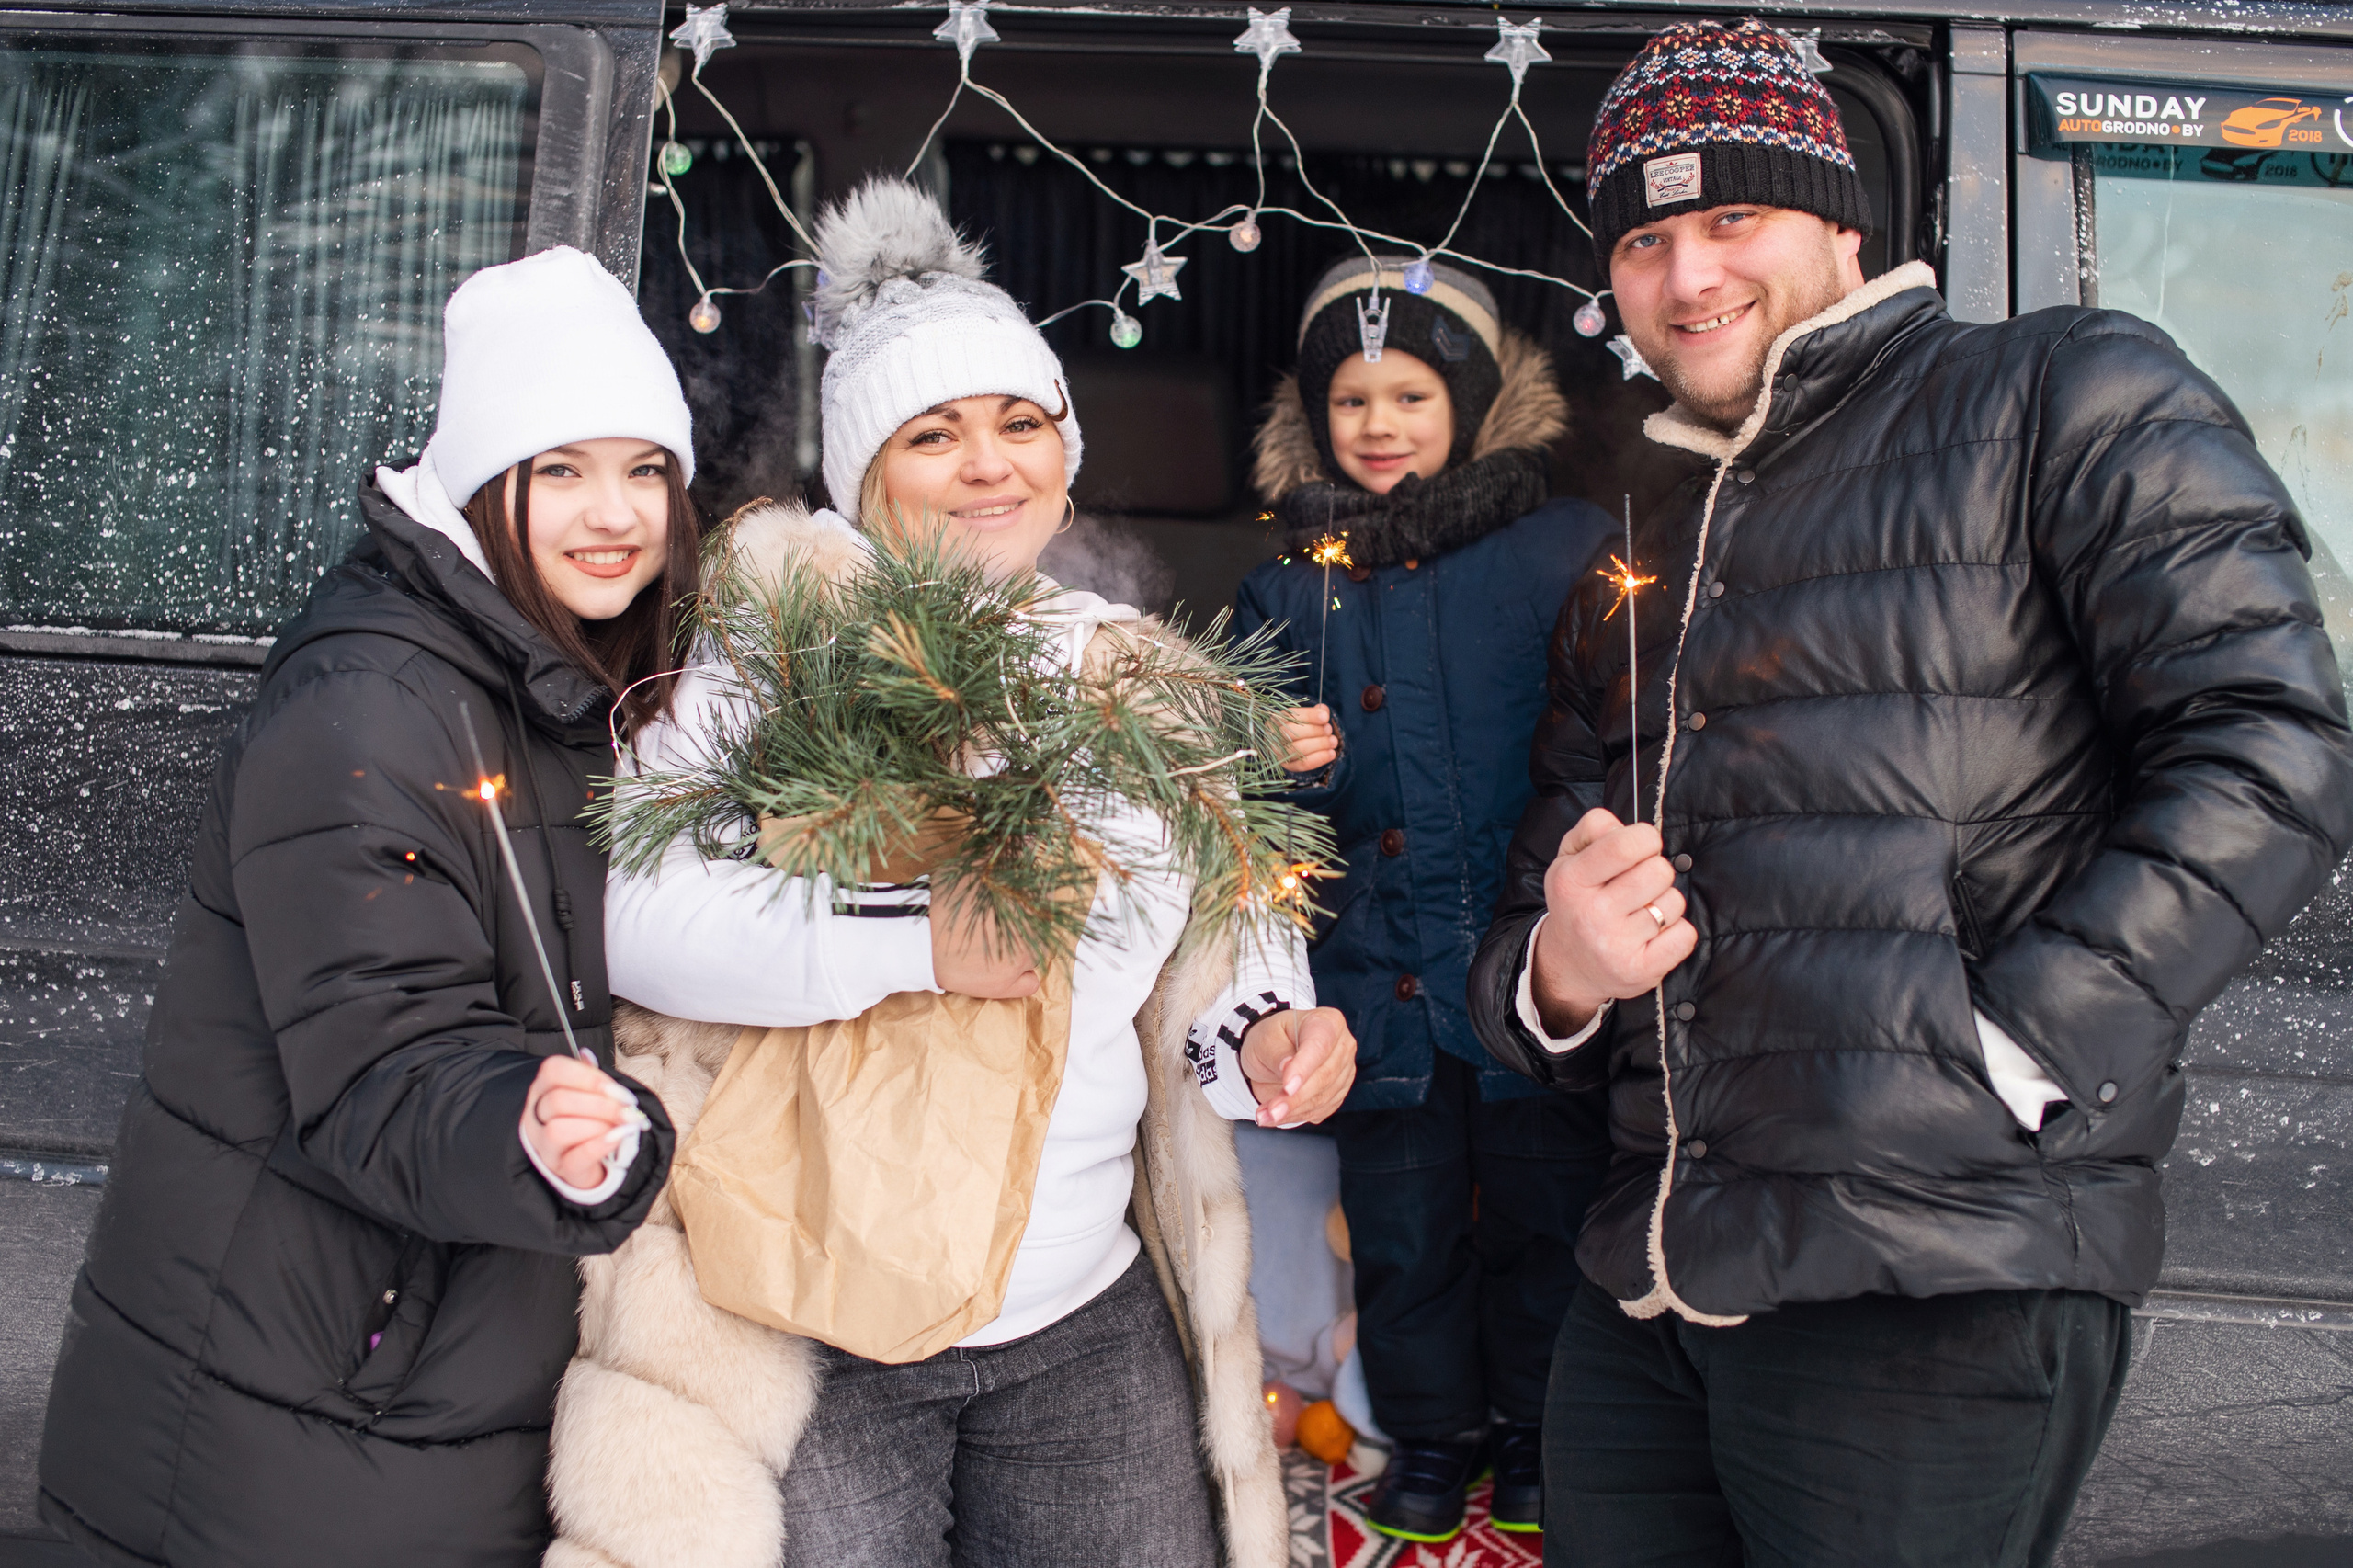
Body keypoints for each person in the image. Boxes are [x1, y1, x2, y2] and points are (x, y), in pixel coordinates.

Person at [1463, 19, 2353, 1567]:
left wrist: (2011, 1048)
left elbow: (2274, 740)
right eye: (1647, 239)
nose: (1689, 278)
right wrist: (1555, 974)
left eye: (1734, 216)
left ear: (1844, 222)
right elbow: (1536, 898)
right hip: (1652, 1292)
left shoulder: (2057, 390)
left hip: (1931, 1286)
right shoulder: (1642, 552)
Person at [541, 178, 1356, 1568]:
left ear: (1066, 454)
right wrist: (916, 933)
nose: (991, 465)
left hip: (1082, 1320)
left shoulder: (1137, 672)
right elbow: (643, 919)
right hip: (812, 1316)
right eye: (936, 434)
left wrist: (1266, 1035)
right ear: (864, 473)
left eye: (1021, 424)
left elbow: (1222, 953)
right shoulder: (764, 657)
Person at [36, 247, 703, 1567]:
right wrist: (528, 1126)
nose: (611, 510)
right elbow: (384, 1061)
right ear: (482, 483)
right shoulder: (376, 703)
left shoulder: (557, 676)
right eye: (559, 470)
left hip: (408, 1389)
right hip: (308, 1409)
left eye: (644, 468)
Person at [1233, 257, 1617, 1542]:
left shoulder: (1562, 550)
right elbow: (1251, 809)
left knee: (1539, 1225)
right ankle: (1432, 1433)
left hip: (1527, 974)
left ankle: (1533, 1433)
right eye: (1351, 399)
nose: (1381, 423)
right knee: (1401, 1234)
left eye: (1409, 393)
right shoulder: (1289, 587)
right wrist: (1263, 752)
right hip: (1374, 977)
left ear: (1470, 404)